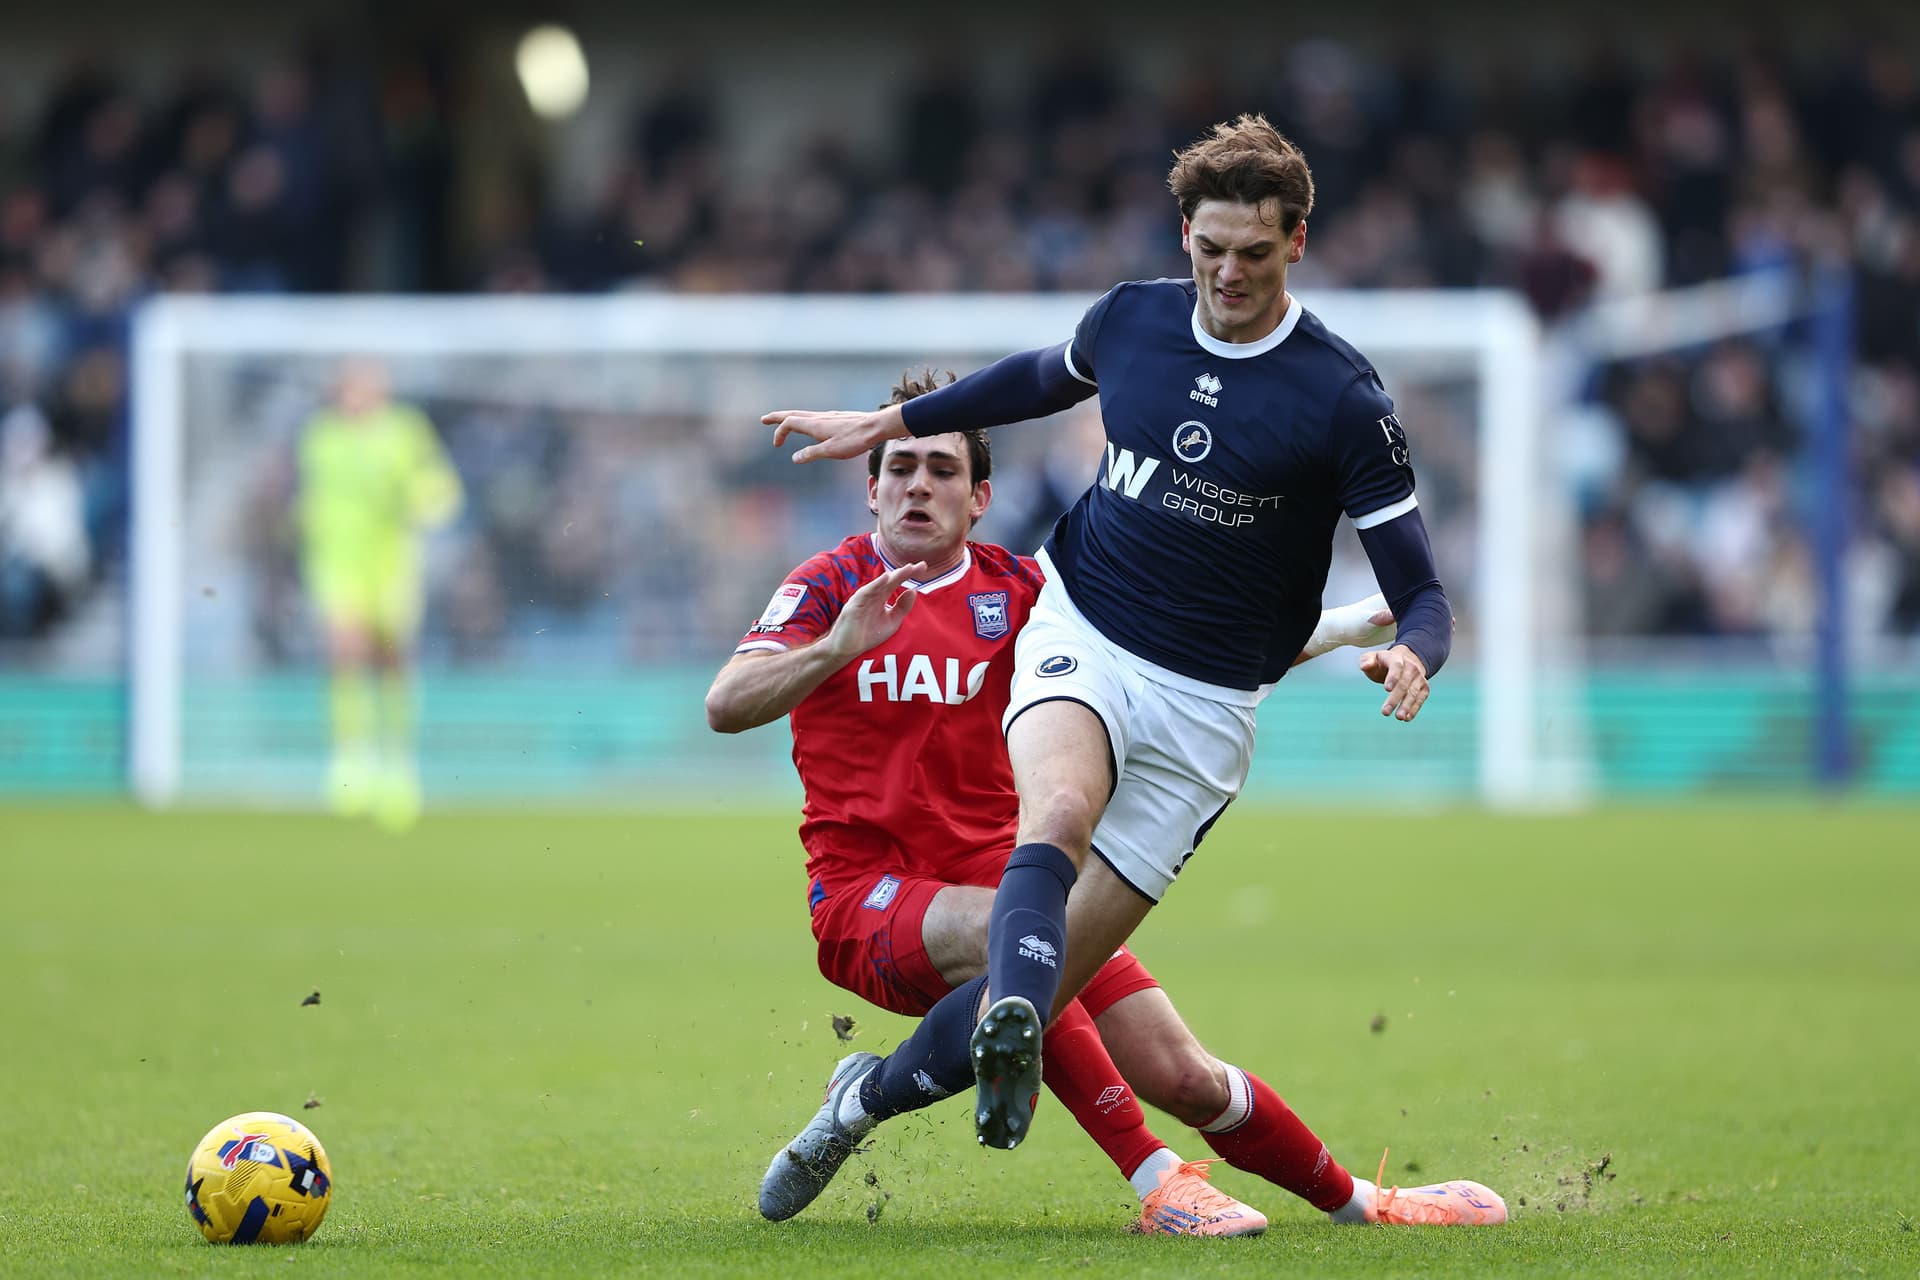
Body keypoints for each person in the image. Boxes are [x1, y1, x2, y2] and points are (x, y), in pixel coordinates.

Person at [761, 114, 1505, 1227]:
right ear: (1186, 235)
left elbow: (1430, 594)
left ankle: (871, 1090)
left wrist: (1408, 648)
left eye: (1254, 251)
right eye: (1210, 247)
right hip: (1084, 623)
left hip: (1207, 711)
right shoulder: (1135, 319)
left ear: (1297, 241)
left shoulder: (1344, 399)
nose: (1228, 272)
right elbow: (1029, 381)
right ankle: (1134, 1156)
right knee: (1054, 810)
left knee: (1097, 1020)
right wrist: (895, 416)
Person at [722, 369, 1455, 1233]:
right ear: (871, 488)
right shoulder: (829, 582)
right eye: (900, 468)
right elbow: (727, 704)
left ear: (981, 495)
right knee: (1031, 953)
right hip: (866, 898)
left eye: (943, 470)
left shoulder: (1027, 596)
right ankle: (1159, 1182)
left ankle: (1356, 1205)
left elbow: (1181, 657)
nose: (919, 485)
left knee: (1179, 1069)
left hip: (1020, 883)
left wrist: (1337, 629)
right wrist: (834, 648)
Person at [298, 358, 463, 832]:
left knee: (392, 659)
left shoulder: (405, 431)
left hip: (392, 563)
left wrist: (427, 500)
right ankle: (351, 761)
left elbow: (439, 487)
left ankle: (398, 762)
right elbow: (313, 497)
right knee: (344, 647)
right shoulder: (321, 436)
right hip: (338, 560)